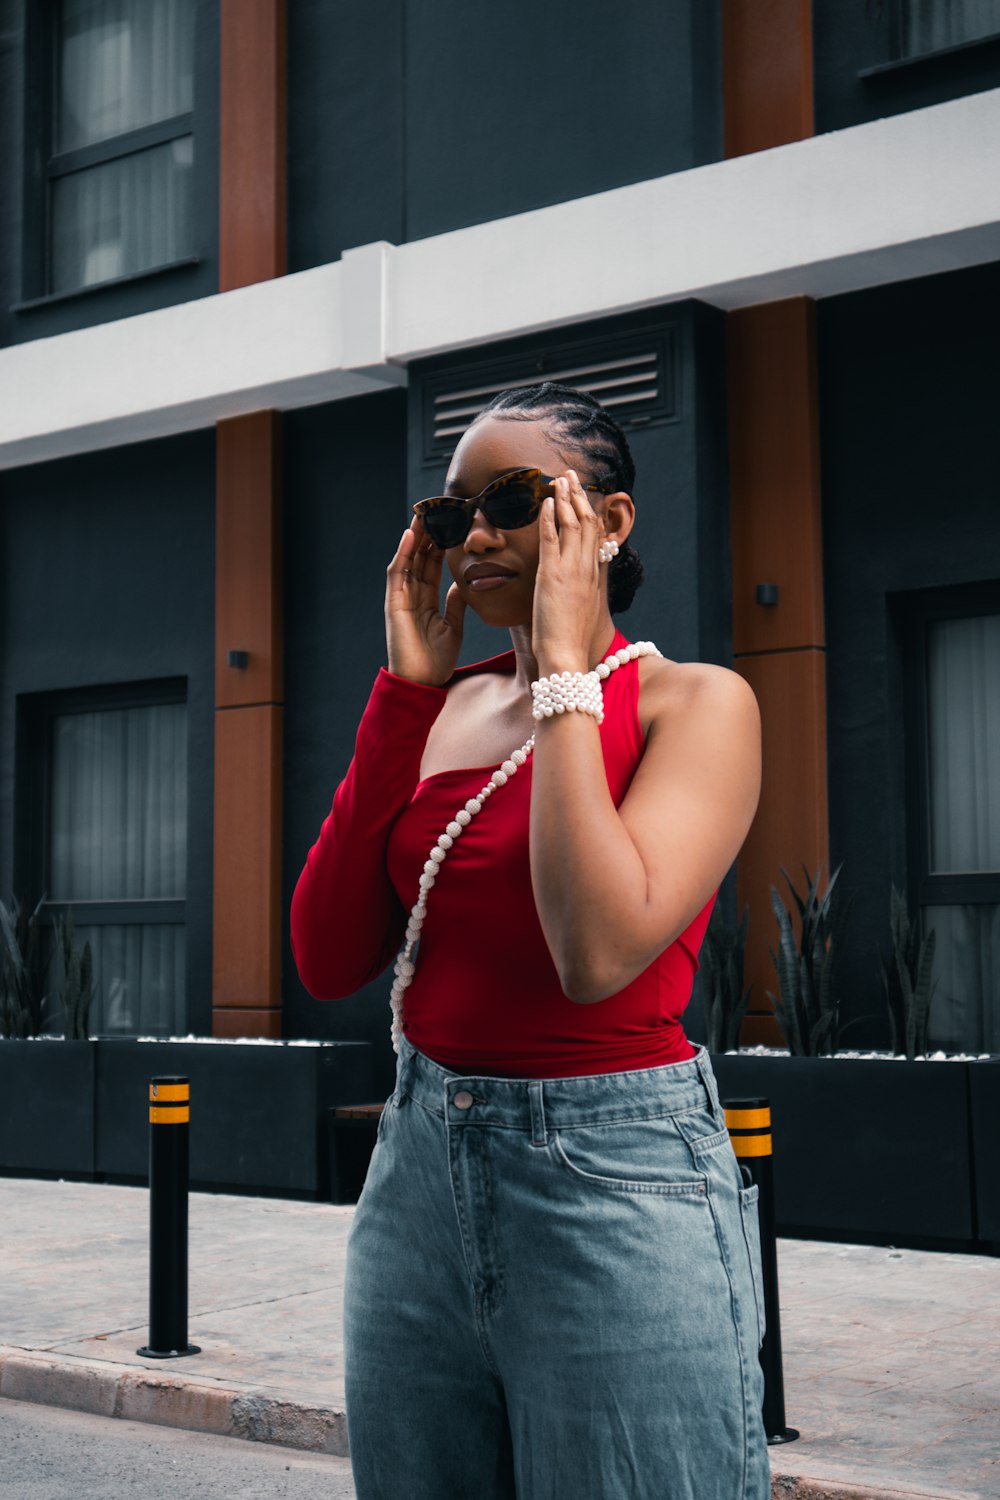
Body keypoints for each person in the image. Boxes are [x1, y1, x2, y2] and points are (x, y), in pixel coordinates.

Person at [291, 382, 769, 1499]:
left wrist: (560, 680)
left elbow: (597, 952)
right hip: (415, 1173)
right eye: (452, 513)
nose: (477, 535)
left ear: (608, 523)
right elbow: (325, 957)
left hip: (609, 1177)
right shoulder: (438, 707)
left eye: (513, 498)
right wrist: (406, 692)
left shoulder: (692, 706)